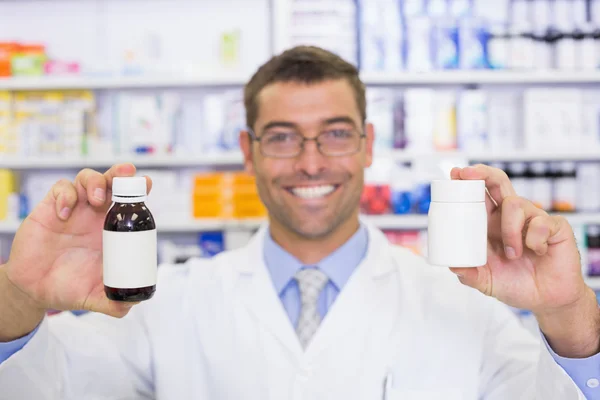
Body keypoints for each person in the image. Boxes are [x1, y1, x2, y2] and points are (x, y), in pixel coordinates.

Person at [0, 46, 598, 400]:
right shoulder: (169, 303)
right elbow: (46, 385)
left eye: (335, 134)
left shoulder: (465, 306)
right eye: (282, 136)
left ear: (367, 145)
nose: (311, 161)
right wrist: (18, 296)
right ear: (248, 149)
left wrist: (570, 311)